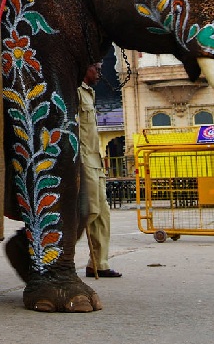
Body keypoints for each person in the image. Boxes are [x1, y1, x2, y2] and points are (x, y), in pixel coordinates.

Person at [76, 50, 121, 278]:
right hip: (83, 161)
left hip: (95, 161)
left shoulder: (89, 94)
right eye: (97, 68)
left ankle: (99, 264)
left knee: (102, 214)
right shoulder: (76, 92)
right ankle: (57, 262)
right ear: (86, 68)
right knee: (89, 212)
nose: (100, 73)